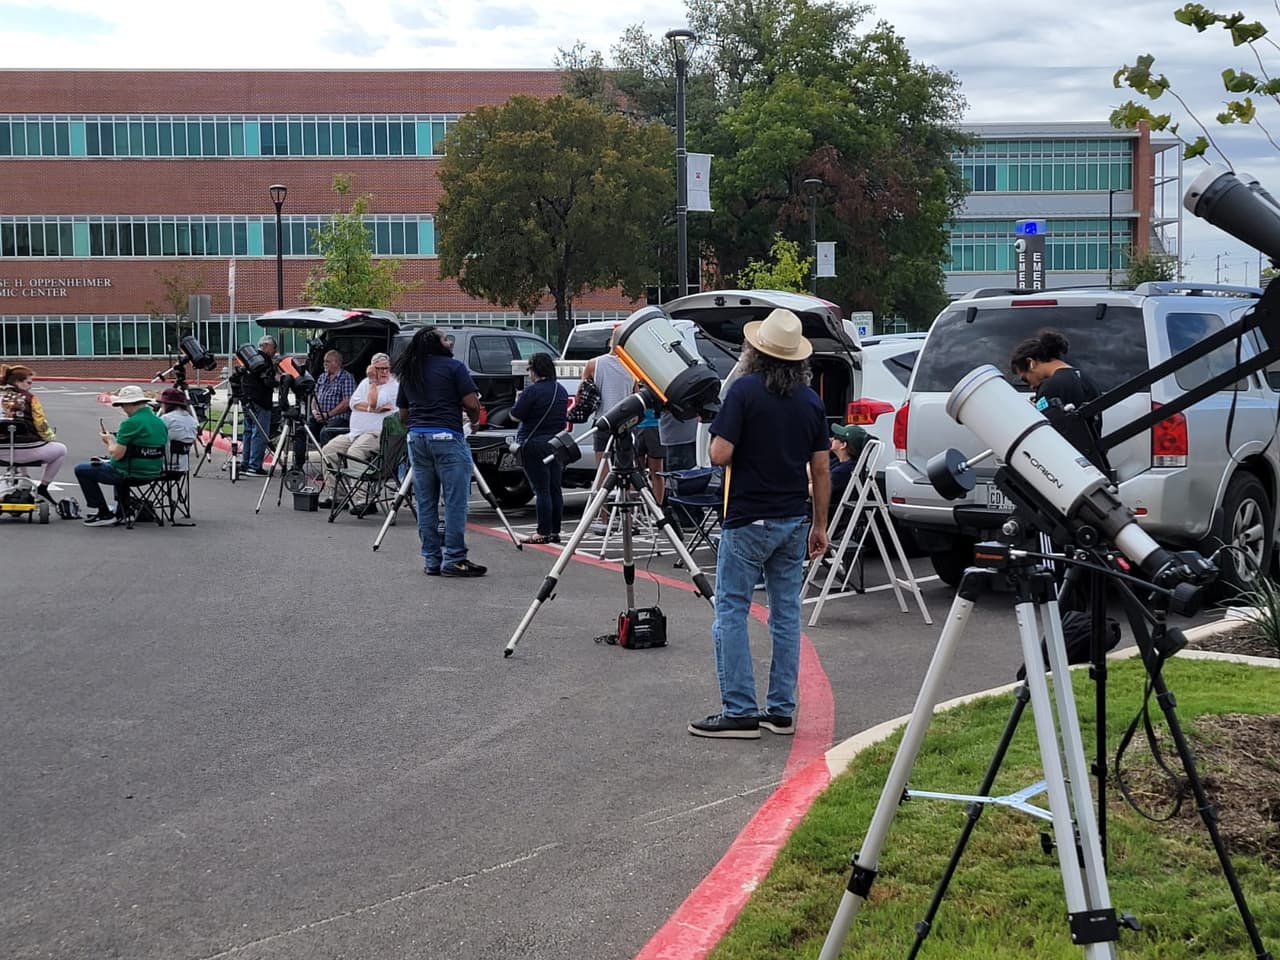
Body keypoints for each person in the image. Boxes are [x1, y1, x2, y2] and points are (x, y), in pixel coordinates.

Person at [689, 309, 830, 739]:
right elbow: (821, 469)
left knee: (731, 610)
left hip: (748, 516)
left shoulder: (744, 391)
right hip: (793, 518)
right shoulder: (810, 401)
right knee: (785, 614)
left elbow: (720, 454)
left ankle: (739, 710)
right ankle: (780, 710)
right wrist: (820, 525)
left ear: (756, 352)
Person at [394, 326, 487, 578]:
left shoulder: (409, 370)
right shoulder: (454, 367)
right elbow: (471, 403)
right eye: (446, 339)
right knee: (455, 500)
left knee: (426, 502)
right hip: (447, 436)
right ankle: (454, 558)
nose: (450, 342)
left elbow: (403, 414)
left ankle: (431, 558)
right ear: (437, 344)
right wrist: (474, 421)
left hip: (417, 438)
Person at [1010, 328, 1111, 475]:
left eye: (1025, 379)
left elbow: (1045, 433)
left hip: (1065, 468)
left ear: (1031, 363)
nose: (1031, 386)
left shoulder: (1050, 385)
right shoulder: (1088, 380)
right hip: (1091, 462)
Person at [74, 384, 169, 526]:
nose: (123, 409)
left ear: (129, 404)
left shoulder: (130, 423)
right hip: (153, 472)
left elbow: (117, 454)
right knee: (116, 465)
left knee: (82, 469)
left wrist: (109, 441)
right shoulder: (159, 422)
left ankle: (103, 512)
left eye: (123, 405)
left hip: (130, 473)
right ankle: (123, 510)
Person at [318, 354, 399, 510]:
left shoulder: (393, 386)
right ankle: (337, 495)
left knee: (355, 453)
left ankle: (363, 499)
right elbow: (353, 403)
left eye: (386, 368)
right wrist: (372, 409)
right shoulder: (365, 383)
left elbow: (375, 402)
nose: (383, 372)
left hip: (378, 433)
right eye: (379, 368)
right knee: (329, 450)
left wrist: (373, 386)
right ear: (372, 368)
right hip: (355, 433)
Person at [580, 325, 635, 534]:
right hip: (625, 424)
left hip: (602, 422)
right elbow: (636, 394)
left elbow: (582, 392)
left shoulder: (594, 364)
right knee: (628, 472)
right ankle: (629, 519)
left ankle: (603, 519)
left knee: (602, 474)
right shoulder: (633, 366)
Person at [510, 352, 569, 544]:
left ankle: (542, 532)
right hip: (556, 443)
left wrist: (518, 400)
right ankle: (554, 531)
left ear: (535, 370)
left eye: (529, 369)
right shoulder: (560, 390)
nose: (529, 373)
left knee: (541, 489)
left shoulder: (532, 391)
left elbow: (515, 416)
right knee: (554, 488)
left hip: (534, 443)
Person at [0, 363, 67, 503]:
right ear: (18, 381)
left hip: (2, 451)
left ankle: (24, 477)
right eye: (28, 382)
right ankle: (43, 487)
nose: (30, 386)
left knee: (12, 438)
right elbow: (40, 423)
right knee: (61, 450)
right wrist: (50, 437)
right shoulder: (30, 398)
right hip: (28, 450)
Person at [295, 348, 355, 467]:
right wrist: (314, 411)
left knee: (326, 432)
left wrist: (328, 415)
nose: (324, 364)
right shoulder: (322, 377)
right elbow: (315, 397)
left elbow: (347, 402)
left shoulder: (347, 378)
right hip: (320, 416)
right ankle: (298, 466)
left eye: (327, 361)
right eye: (324, 361)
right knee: (301, 430)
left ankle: (328, 467)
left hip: (339, 418)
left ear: (337, 363)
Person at [240, 334, 279, 477]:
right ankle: (254, 466)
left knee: (248, 432)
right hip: (261, 400)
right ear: (267, 346)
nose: (275, 352)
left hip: (247, 398)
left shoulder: (250, 358)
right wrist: (279, 380)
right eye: (274, 348)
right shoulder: (264, 360)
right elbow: (268, 381)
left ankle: (245, 463)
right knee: (260, 433)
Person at [156, 387, 199, 472]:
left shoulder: (166, 419)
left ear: (167, 404)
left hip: (165, 465)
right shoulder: (192, 420)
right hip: (183, 466)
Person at [827, 422, 869, 507]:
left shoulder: (842, 471)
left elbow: (816, 489)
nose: (831, 439)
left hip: (831, 509)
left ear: (843, 445)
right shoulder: (838, 461)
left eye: (836, 437)